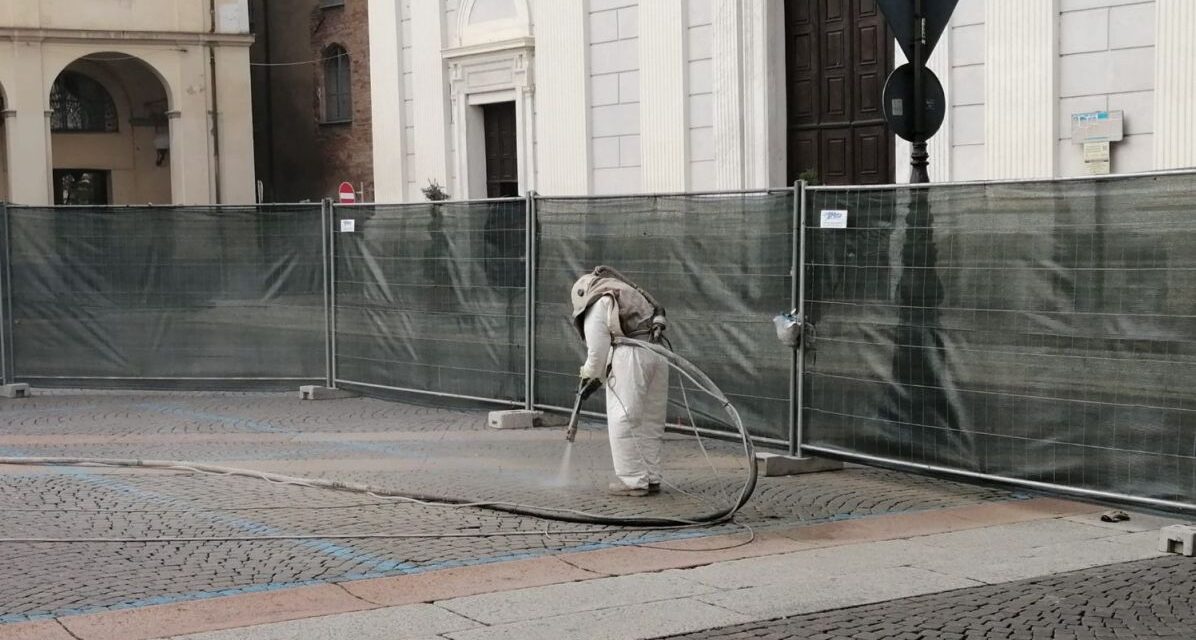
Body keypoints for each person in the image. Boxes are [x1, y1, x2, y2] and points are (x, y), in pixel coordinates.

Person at [570, 266, 669, 497]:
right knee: (650, 420)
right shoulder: (624, 292)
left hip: (630, 354)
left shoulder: (597, 303)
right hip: (658, 352)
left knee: (624, 417)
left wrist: (587, 375)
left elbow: (597, 353)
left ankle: (633, 480)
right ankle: (651, 476)